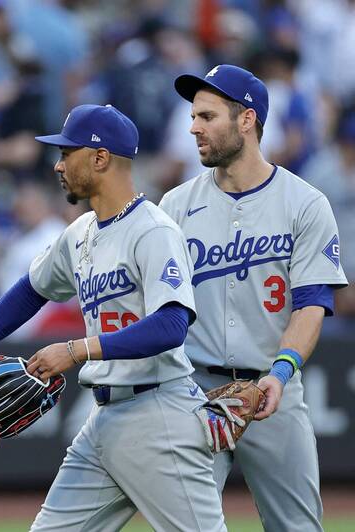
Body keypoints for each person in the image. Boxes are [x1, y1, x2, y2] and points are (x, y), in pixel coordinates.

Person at [0, 104, 226, 531]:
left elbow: (172, 325)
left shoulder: (153, 230)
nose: (58, 164)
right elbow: (29, 290)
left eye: (67, 153)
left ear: (100, 158)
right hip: (103, 418)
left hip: (160, 417)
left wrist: (77, 350)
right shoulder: (80, 233)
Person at [160, 64, 349, 531]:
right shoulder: (174, 206)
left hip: (273, 389)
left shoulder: (304, 203)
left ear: (247, 120)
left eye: (207, 116)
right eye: (194, 116)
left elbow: (310, 305)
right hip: (194, 393)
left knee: (298, 527)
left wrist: (281, 374)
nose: (193, 127)